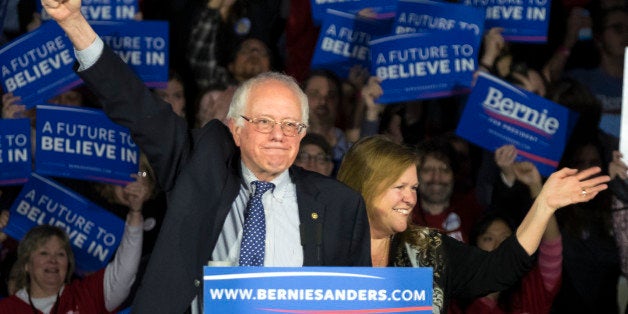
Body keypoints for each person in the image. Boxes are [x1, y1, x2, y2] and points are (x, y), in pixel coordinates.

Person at [42, 2, 371, 313]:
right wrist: (74, 23)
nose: (277, 135)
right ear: (236, 128)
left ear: (302, 133)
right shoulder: (197, 166)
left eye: (290, 124)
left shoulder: (341, 204)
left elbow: (357, 301)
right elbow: (138, 108)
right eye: (264, 122)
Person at [336, 135, 609, 313]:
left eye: (414, 187)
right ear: (365, 187)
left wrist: (544, 204)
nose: (410, 198)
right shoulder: (320, 248)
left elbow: (497, 270)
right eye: (400, 187)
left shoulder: (428, 248)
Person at [0, 185, 144, 313]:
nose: (53, 260)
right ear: (26, 264)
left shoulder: (86, 295)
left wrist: (135, 213)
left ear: (68, 264)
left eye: (61, 254)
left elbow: (125, 270)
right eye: (44, 253)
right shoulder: (8, 309)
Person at [412, 137, 484, 243]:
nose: (436, 178)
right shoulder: (405, 217)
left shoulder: (472, 211)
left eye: (444, 170)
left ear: (454, 174)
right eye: (428, 170)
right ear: (416, 175)